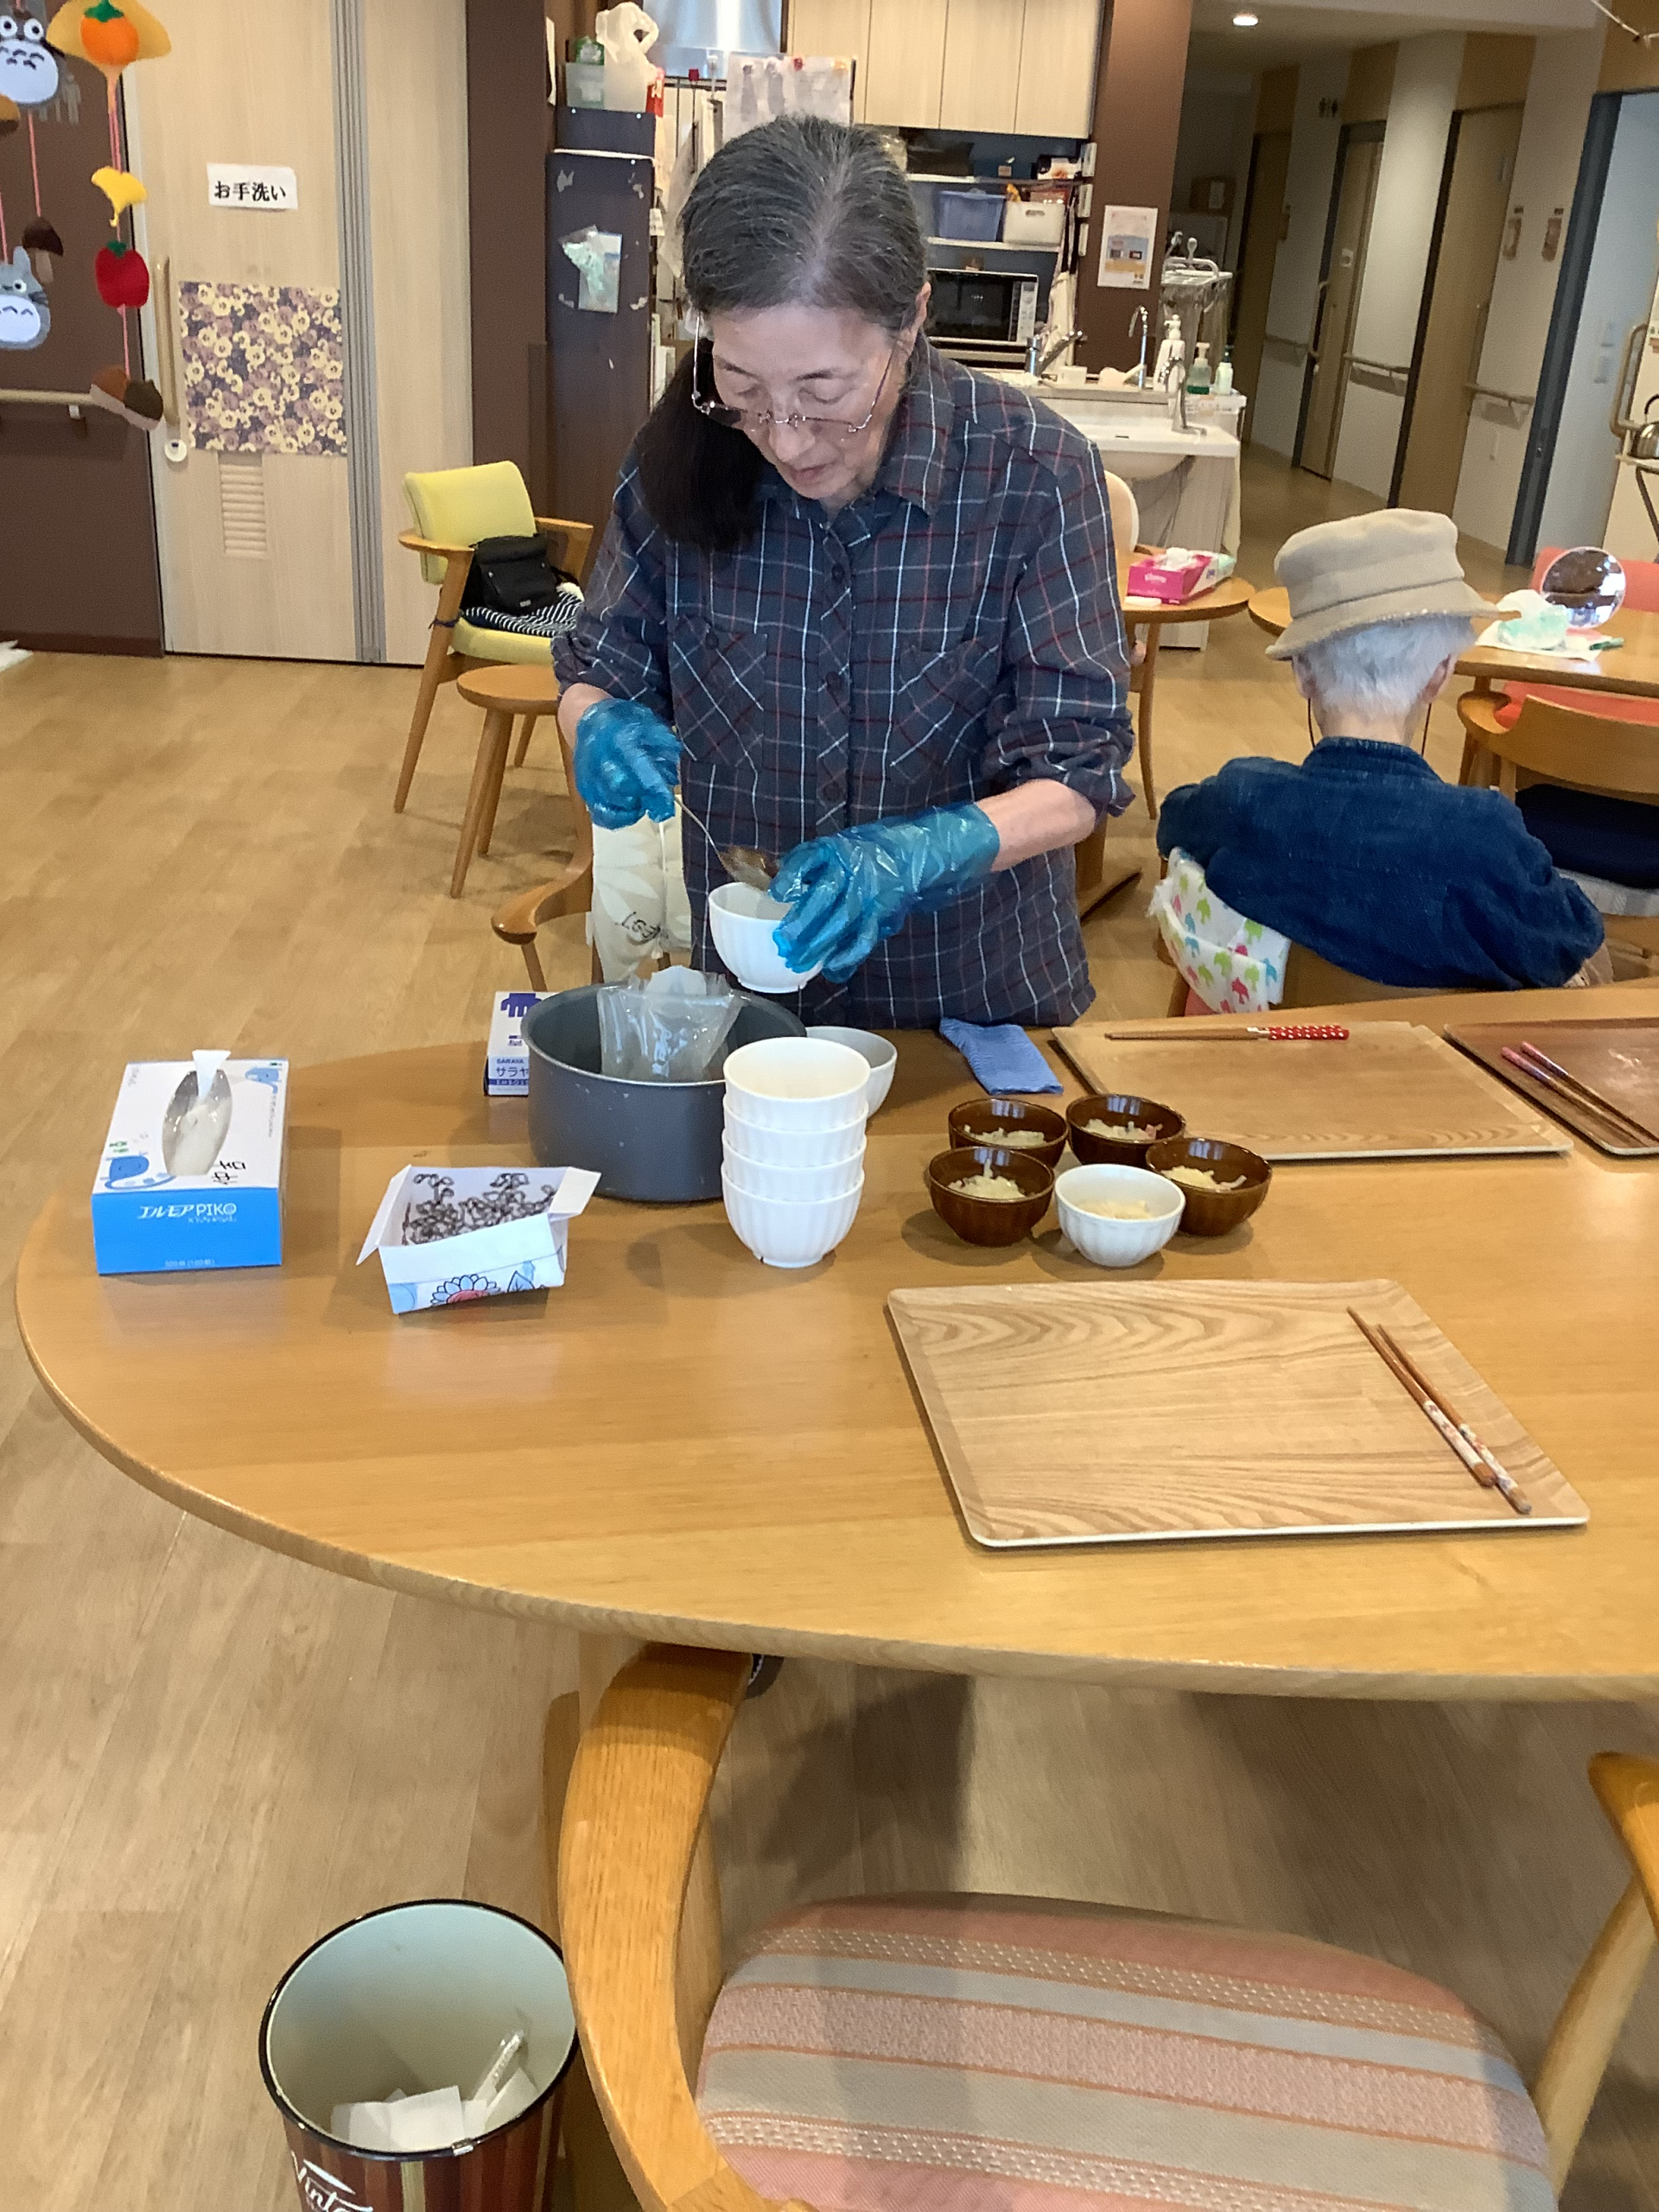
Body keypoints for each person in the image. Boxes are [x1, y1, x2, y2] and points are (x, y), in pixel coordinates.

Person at [553, 116, 1135, 1027]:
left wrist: (924, 854)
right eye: (743, 388)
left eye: (825, 393)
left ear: (912, 319)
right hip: (754, 1003)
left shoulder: (1034, 475)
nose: (785, 439)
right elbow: (600, 671)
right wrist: (594, 721)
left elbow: (1078, 774)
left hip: (969, 1002)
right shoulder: (677, 460)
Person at [1155, 510, 1605, 994]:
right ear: (1440, 674)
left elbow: (1173, 825)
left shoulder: (1238, 799)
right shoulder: (1484, 834)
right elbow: (1569, 940)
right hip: (1437, 1044)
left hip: (1275, 1039)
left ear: (1303, 672)